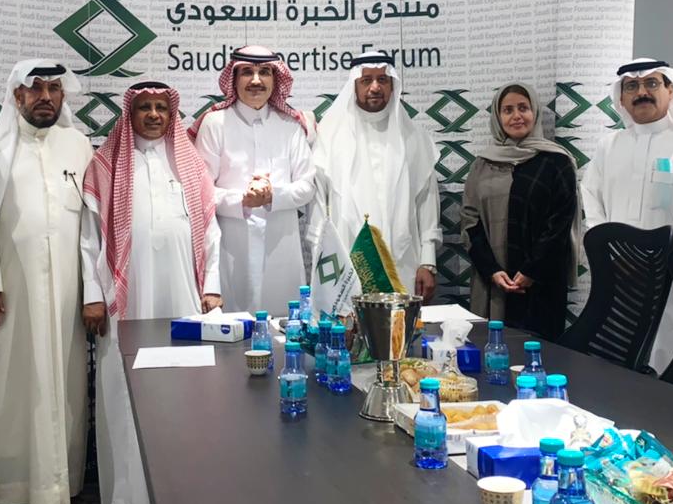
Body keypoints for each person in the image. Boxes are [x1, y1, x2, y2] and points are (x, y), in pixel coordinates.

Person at [80, 81, 220, 504]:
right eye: (145, 107)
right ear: (130, 113)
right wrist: (93, 297)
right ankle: (131, 503)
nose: (154, 115)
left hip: (183, 296)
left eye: (162, 107)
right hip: (127, 301)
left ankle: (184, 499)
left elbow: (211, 234)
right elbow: (88, 241)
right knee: (126, 392)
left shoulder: (190, 165)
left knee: (185, 391)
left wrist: (213, 287)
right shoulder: (105, 166)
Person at [0, 60, 94, 504]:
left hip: (67, 290)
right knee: (8, 382)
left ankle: (60, 485)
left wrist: (92, 292)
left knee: (64, 383)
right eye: (35, 88)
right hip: (10, 289)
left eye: (54, 89)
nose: (46, 97)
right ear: (16, 95)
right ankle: (5, 492)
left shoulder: (78, 145)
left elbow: (91, 226)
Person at [581, 59, 673, 372]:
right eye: (631, 86)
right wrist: (611, 254)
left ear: (671, 90)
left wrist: (663, 262)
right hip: (619, 274)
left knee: (669, 359)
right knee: (617, 361)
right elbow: (591, 199)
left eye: (652, 83)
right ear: (621, 98)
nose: (641, 92)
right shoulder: (609, 146)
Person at [191, 46, 316, 314]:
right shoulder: (215, 123)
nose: (256, 80)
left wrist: (273, 196)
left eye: (265, 72)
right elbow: (201, 192)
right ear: (234, 79)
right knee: (233, 327)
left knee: (285, 326)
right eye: (247, 72)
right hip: (231, 247)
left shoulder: (290, 126)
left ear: (275, 79)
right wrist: (242, 200)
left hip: (281, 247)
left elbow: (307, 186)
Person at [314, 51, 441, 299]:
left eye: (382, 79)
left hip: (403, 263)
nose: (375, 87)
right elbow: (318, 208)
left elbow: (426, 205)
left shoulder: (415, 138)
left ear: (393, 85)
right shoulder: (329, 136)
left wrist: (428, 262)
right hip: (346, 262)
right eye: (366, 80)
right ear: (354, 85)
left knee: (399, 322)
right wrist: (324, 260)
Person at [461, 82, 581, 340]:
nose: (516, 116)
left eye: (523, 108)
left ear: (534, 112)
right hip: (493, 283)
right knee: (493, 351)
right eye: (508, 110)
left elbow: (560, 224)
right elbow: (470, 221)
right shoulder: (482, 165)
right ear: (497, 117)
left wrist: (530, 271)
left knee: (541, 354)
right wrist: (492, 270)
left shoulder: (557, 162)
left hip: (542, 285)